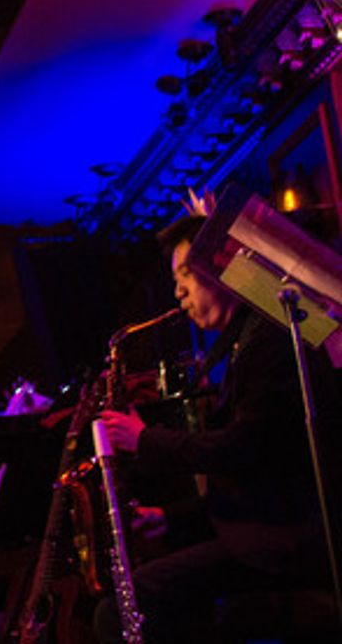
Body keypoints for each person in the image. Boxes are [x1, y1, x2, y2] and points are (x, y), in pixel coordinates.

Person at [95, 213, 341, 643]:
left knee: (128, 605)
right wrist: (169, 518)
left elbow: (244, 449)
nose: (178, 292)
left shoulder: (271, 339)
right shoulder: (250, 340)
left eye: (186, 275)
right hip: (271, 536)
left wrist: (144, 439)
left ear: (225, 270)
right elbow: (252, 473)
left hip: (288, 546)